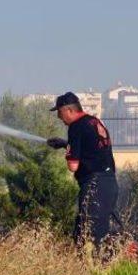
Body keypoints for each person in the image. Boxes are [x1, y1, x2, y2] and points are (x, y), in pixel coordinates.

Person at [46, 92, 118, 247]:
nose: (59, 118)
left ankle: (97, 269)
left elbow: (73, 166)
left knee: (89, 239)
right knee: (94, 232)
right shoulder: (94, 121)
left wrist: (69, 152)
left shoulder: (76, 126)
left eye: (59, 113)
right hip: (109, 184)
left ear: (69, 110)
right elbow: (91, 150)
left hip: (94, 185)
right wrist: (66, 144)